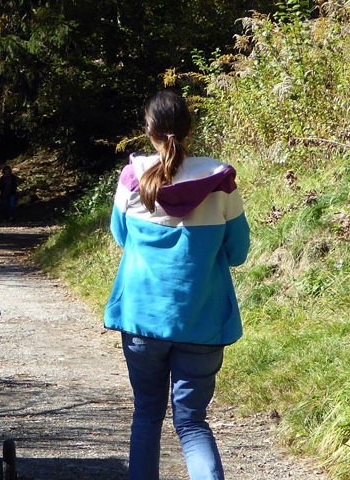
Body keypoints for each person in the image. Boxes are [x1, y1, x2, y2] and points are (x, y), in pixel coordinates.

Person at [104, 90, 250, 480]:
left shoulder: (132, 178)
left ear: (147, 130)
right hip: (201, 321)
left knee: (147, 414)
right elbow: (238, 253)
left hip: (142, 319)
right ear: (188, 129)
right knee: (192, 423)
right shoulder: (221, 180)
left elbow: (121, 237)